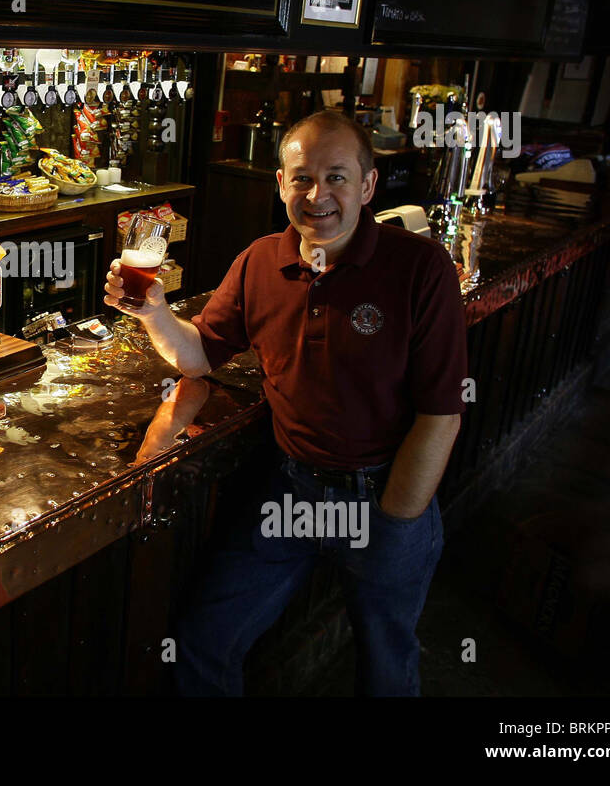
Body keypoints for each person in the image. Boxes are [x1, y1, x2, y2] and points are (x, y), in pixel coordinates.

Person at [105, 110, 467, 696]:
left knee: (386, 665)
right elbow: (199, 355)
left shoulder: (419, 269)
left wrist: (395, 522)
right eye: (301, 178)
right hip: (291, 491)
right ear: (280, 184)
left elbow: (441, 416)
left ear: (368, 186)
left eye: (337, 177)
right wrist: (154, 314)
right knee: (203, 642)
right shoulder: (259, 261)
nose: (317, 194)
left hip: (382, 495)